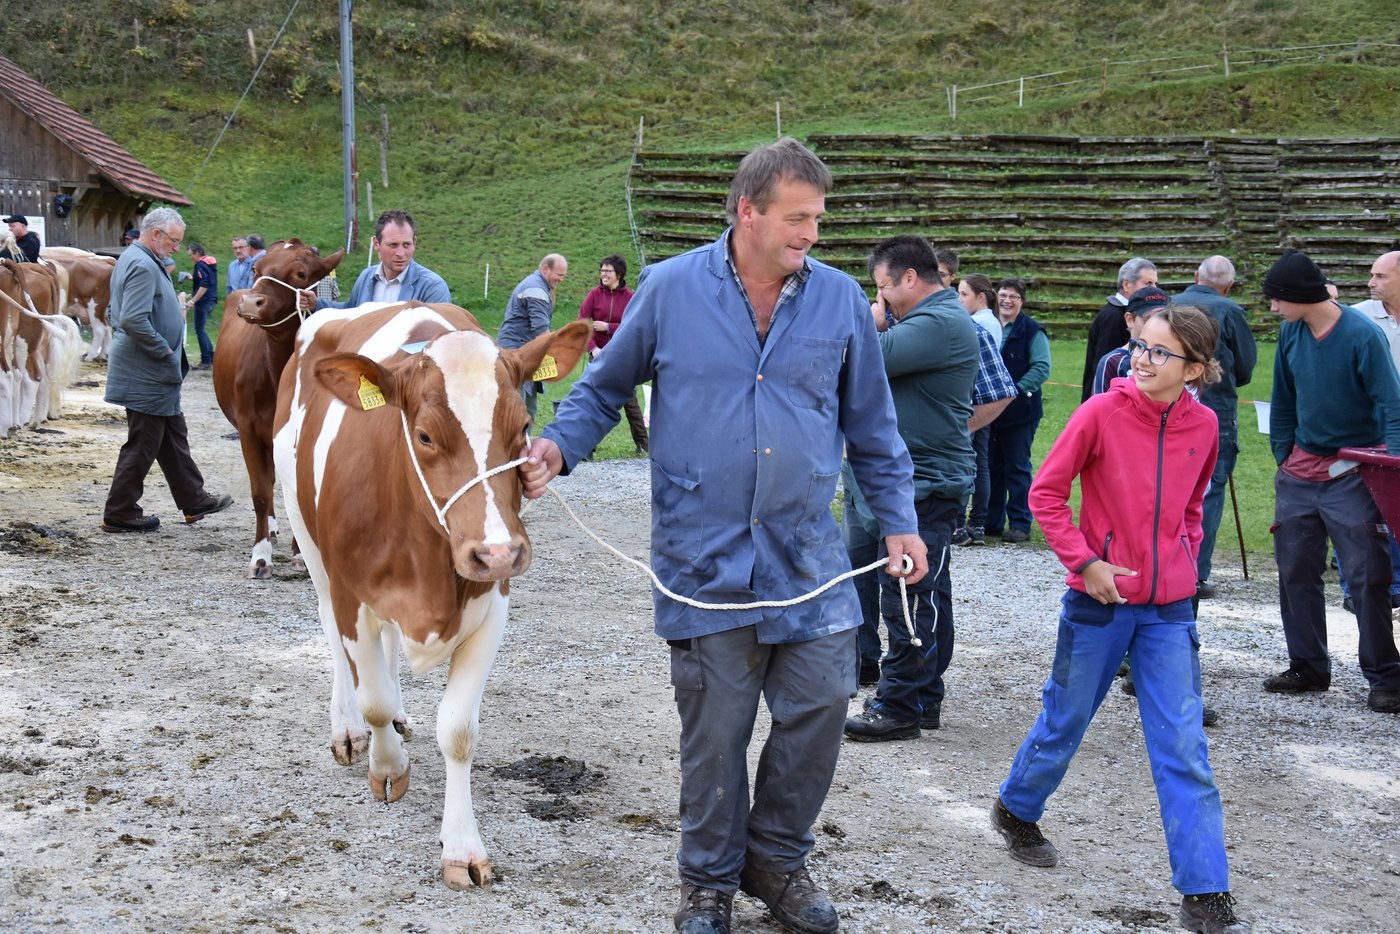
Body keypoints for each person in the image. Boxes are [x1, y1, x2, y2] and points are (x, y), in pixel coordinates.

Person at [519, 138, 928, 934]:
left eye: (819, 217)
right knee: (716, 730)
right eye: (798, 217)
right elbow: (603, 391)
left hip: (807, 555)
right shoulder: (671, 290)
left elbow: (873, 427)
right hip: (701, 558)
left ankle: (773, 858)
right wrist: (557, 447)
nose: (813, 231)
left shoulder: (841, 299)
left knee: (819, 706)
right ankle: (705, 880)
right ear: (748, 211)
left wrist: (902, 520)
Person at [992, 304, 1250, 934]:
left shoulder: (1206, 426)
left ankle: (1205, 890)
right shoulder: (1099, 412)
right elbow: (1045, 495)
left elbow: (1193, 507)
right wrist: (1086, 563)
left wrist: (1183, 564)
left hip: (1169, 612)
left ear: (1195, 367)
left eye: (1160, 352)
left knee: (1183, 745)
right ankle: (1017, 809)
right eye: (1141, 345)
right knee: (1066, 719)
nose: (1141, 358)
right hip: (1098, 602)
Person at [842, 235, 987, 742]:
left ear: (908, 278)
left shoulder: (941, 322)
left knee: (905, 592)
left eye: (883, 287)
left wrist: (870, 319)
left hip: (925, 480)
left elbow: (863, 357)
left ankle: (900, 702)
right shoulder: (931, 320)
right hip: (914, 477)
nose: (880, 298)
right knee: (925, 590)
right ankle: (922, 697)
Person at [1263, 249, 1400, 715]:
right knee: (1295, 570)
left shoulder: (1362, 335)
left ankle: (1386, 677)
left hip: (1353, 472)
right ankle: (1308, 666)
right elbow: (1282, 398)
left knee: (1367, 576)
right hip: (1300, 471)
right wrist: (1283, 454)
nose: (1273, 307)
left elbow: (1391, 403)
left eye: (1277, 299)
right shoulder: (1290, 332)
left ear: (1300, 296)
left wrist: (1392, 465)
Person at [100, 207, 233, 534]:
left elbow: (116, 311)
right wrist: (163, 350)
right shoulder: (143, 264)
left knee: (172, 434)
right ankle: (120, 512)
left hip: (151, 369)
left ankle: (193, 498)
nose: (177, 247)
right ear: (155, 233)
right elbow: (132, 319)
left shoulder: (136, 257)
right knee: (144, 442)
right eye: (173, 240)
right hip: (146, 369)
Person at [1174, 256, 1257, 598]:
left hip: (1168, 406)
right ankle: (1195, 571)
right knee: (1210, 486)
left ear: (1196, 276)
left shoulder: (1169, 305)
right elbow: (1245, 368)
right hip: (1215, 408)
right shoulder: (1230, 310)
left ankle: (1168, 563)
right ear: (1229, 285)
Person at [952, 273, 1016, 546]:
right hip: (979, 400)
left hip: (975, 401)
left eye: (964, 294)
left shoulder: (980, 324)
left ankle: (970, 522)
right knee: (979, 462)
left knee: (974, 462)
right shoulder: (987, 321)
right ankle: (976, 522)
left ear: (980, 297)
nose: (958, 300)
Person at [987, 277, 1049, 544]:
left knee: (1017, 467)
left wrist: (1014, 391)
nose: (1007, 301)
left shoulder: (1032, 330)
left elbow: (1041, 368)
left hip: (1020, 411)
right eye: (1003, 295)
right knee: (991, 466)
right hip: (990, 410)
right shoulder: (987, 325)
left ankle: (1020, 523)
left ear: (1021, 301)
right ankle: (991, 521)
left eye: (1013, 296)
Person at [577, 254, 647, 455]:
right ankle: (587, 448)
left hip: (622, 357)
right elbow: (580, 323)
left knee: (630, 401)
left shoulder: (630, 298)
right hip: (597, 356)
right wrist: (593, 349)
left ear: (619, 274)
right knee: (594, 400)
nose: (603, 274)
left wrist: (609, 327)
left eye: (608, 270)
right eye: (602, 270)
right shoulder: (593, 295)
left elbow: (634, 326)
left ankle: (643, 445)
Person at [320, 210, 450, 310]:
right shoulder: (366, 277)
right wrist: (316, 303)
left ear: (414, 243)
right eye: (393, 245)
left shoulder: (433, 287)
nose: (400, 253)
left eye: (407, 245)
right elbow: (350, 312)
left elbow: (438, 337)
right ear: (376, 244)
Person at [498, 253, 568, 419]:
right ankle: (515, 445)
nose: (561, 280)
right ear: (545, 269)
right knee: (518, 412)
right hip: (516, 356)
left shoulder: (537, 285)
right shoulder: (536, 290)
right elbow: (541, 333)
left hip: (522, 354)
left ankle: (523, 444)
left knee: (528, 410)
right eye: (559, 275)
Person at [1082, 258, 1157, 402]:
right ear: (1127, 284)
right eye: (1148, 283)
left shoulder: (1122, 313)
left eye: (1155, 283)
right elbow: (1106, 367)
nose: (1154, 288)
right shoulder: (1114, 317)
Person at [1089, 286, 1171, 395]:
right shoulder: (1113, 362)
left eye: (1164, 319)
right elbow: (1099, 408)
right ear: (1130, 320)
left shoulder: (1172, 358)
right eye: (1149, 319)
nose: (1156, 326)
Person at [186, 241, 218, 368]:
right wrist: (192, 278)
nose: (190, 258)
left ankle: (205, 360)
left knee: (199, 330)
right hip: (211, 299)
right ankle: (211, 356)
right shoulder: (209, 264)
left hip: (203, 302)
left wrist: (192, 301)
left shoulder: (200, 265)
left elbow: (204, 285)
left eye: (191, 255)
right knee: (202, 330)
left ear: (197, 253)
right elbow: (206, 280)